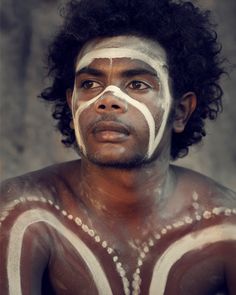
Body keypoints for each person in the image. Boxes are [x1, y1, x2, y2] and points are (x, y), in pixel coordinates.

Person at [0, 0, 235, 294]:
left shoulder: (226, 226)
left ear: (181, 112)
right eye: (90, 84)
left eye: (137, 84)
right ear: (72, 105)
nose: (107, 99)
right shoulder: (22, 215)